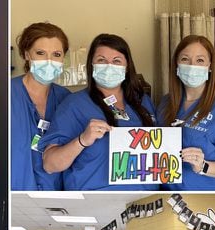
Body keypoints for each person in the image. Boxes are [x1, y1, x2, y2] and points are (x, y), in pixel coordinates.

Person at [39, 33, 158, 190]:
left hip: (142, 200)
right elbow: (50, 164)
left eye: (116, 61)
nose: (109, 66)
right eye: (101, 60)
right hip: (95, 201)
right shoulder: (74, 105)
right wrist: (82, 140)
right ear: (92, 64)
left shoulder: (142, 102)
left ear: (127, 66)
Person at [158, 35, 215, 190]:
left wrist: (203, 166)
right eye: (185, 59)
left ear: (210, 66)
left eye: (200, 60)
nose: (192, 65)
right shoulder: (166, 103)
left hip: (210, 198)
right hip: (170, 195)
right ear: (176, 65)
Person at [11, 22, 72, 190]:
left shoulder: (66, 100)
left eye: (56, 54)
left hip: (54, 194)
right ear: (26, 54)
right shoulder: (7, 94)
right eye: (40, 53)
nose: (49, 61)